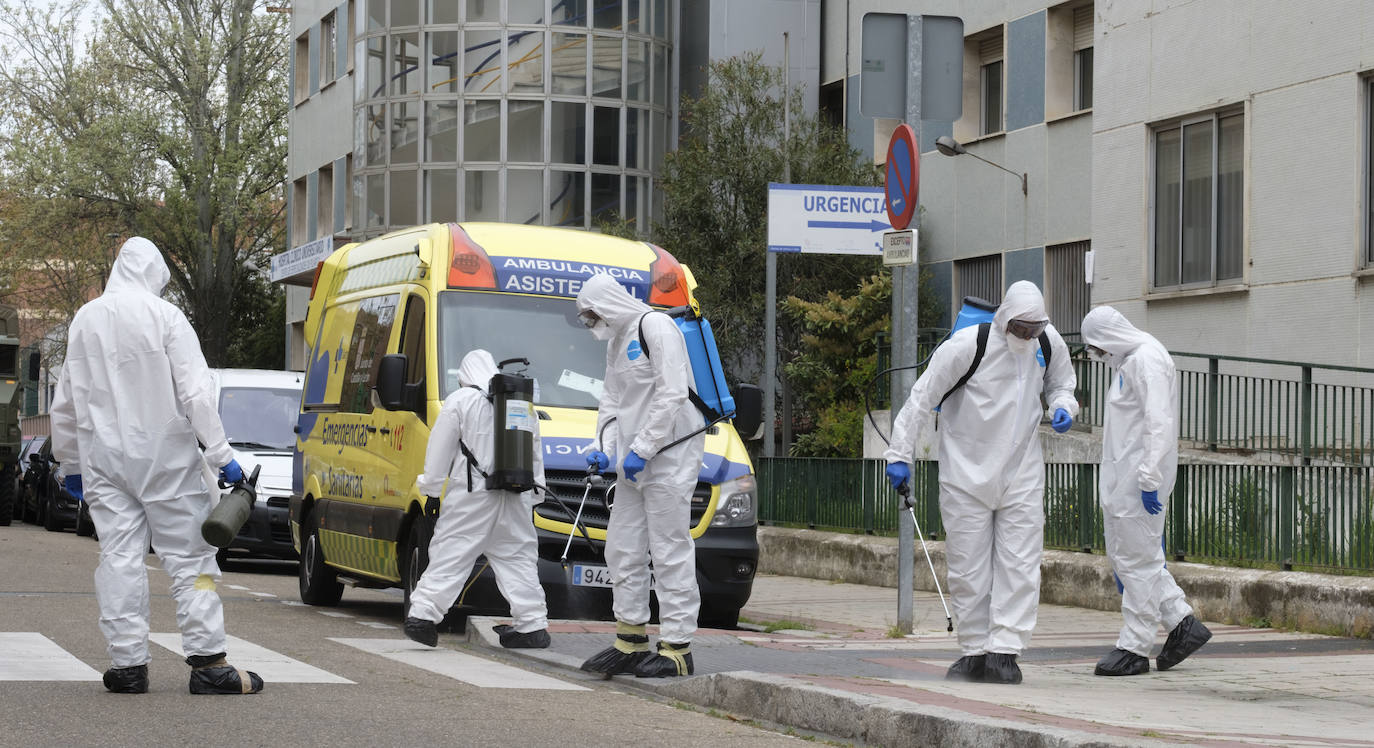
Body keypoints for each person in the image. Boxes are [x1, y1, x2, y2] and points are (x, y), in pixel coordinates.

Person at [48, 236, 263, 696]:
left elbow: (65, 399)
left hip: (104, 461)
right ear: (155, 274)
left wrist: (69, 464)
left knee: (119, 558)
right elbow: (196, 394)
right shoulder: (166, 316)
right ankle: (208, 662)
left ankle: (127, 666)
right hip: (166, 459)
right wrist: (222, 456)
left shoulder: (85, 319)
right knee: (193, 560)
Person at [884, 280, 1078, 685]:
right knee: (968, 567)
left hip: (1022, 471)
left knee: (1021, 563)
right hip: (965, 474)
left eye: (1035, 329)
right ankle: (974, 650)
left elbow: (1062, 382)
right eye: (1021, 329)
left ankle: (1005, 650)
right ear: (1005, 319)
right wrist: (900, 454)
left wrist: (1063, 405)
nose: (1028, 336)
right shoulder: (966, 347)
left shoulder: (1048, 343)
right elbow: (921, 398)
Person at [574, 274, 706, 678]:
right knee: (622, 549)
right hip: (634, 460)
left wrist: (644, 448)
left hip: (669, 455)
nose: (592, 325)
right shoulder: (617, 341)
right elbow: (612, 400)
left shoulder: (656, 327)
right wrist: (607, 448)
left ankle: (678, 647)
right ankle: (630, 638)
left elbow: (673, 394)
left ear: (609, 305)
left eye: (593, 316)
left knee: (668, 548)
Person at [1080, 306, 1211, 676]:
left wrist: (1150, 479)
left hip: (1139, 482)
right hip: (1128, 479)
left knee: (1137, 562)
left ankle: (1134, 646)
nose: (1098, 357)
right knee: (1135, 558)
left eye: (1097, 349)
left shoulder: (1147, 359)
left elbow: (1159, 422)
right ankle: (1182, 623)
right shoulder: (1134, 360)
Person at [403, 349, 551, 650]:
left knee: (451, 553)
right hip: (514, 496)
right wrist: (534, 497)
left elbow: (439, 450)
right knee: (518, 559)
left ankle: (422, 616)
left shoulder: (461, 401)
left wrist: (430, 488)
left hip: (472, 495)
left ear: (465, 375)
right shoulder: (521, 403)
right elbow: (534, 453)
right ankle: (533, 625)